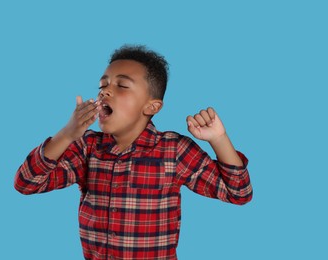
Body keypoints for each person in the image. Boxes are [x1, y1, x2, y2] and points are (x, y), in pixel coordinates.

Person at [14, 45, 253, 260]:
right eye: (102, 85)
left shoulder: (174, 150)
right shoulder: (86, 148)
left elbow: (239, 193)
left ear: (152, 106)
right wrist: (67, 133)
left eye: (122, 85)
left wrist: (219, 140)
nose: (105, 91)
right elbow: (27, 183)